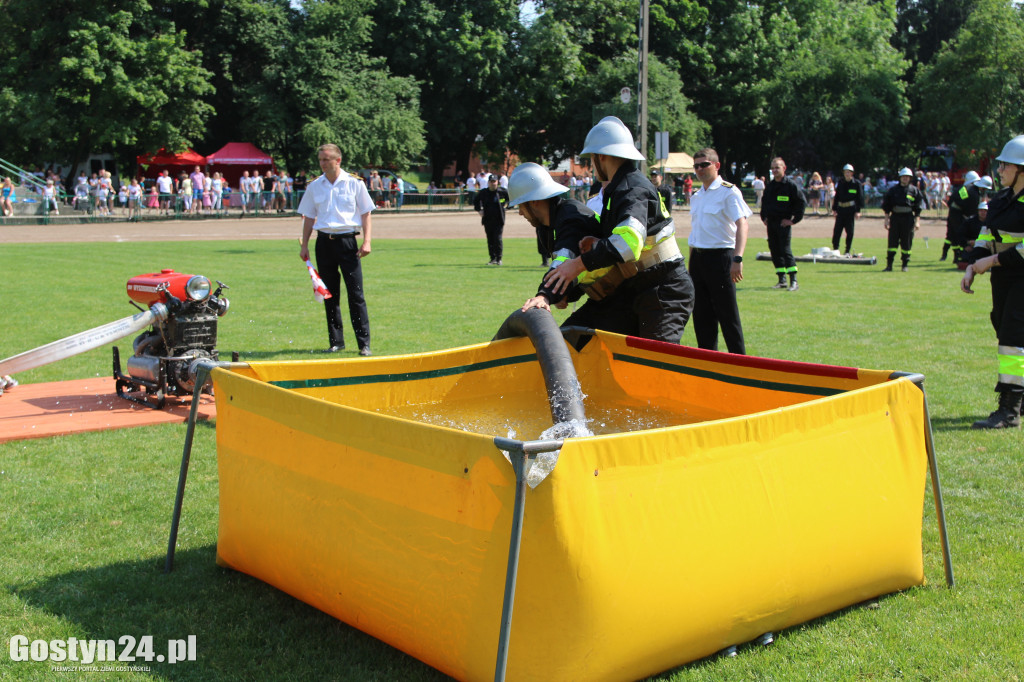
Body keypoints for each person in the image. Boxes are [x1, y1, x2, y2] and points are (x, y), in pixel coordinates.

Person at [541, 116, 694, 344]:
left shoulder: (632, 188)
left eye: (592, 159)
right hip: (637, 288)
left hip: (664, 290)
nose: (592, 166)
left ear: (601, 156)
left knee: (655, 370)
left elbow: (627, 245)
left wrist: (576, 266)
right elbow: (621, 243)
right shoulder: (619, 189)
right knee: (580, 344)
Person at [959, 135, 1024, 429]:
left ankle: (1009, 410)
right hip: (1003, 276)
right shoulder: (1000, 199)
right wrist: (975, 262)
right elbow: (988, 234)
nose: (999, 171)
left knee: (1012, 337)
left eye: (1005, 166)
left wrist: (992, 262)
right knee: (1004, 326)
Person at [298, 143, 374, 356]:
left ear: (337, 160)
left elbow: (366, 213)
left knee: (356, 294)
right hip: (324, 243)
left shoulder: (354, 183)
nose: (322, 163)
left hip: (348, 243)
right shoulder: (315, 186)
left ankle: (363, 344)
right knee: (329, 294)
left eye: (326, 159)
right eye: (321, 159)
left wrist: (367, 241)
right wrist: (304, 244)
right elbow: (309, 217)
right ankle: (336, 341)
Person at [688, 148, 750, 354]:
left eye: (704, 164)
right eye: (696, 166)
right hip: (698, 258)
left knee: (728, 316)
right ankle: (708, 363)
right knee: (702, 317)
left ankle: (740, 364)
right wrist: (691, 262)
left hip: (721, 257)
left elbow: (742, 224)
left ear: (716, 165)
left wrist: (737, 258)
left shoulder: (728, 191)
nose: (700, 169)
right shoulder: (696, 196)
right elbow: (696, 231)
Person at [760, 157, 805, 290]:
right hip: (771, 224)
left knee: (785, 251)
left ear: (784, 168)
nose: (774, 170)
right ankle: (781, 280)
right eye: (772, 168)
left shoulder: (790, 186)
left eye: (777, 167)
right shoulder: (771, 186)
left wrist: (793, 221)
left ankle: (794, 281)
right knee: (774, 251)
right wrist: (764, 217)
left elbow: (801, 203)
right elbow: (765, 203)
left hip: (783, 224)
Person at [881, 167, 924, 272]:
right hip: (895, 218)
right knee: (892, 242)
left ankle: (905, 265)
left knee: (907, 242)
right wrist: (886, 220)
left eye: (907, 177)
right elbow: (887, 207)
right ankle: (889, 265)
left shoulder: (914, 191)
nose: (905, 178)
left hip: (908, 218)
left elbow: (918, 209)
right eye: (903, 177)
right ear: (900, 178)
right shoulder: (893, 190)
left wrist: (917, 222)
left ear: (910, 178)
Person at [941, 170, 981, 262]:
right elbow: (967, 204)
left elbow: (952, 201)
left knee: (950, 235)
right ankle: (957, 256)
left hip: (953, 213)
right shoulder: (969, 190)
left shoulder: (962, 189)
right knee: (958, 234)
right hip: (957, 215)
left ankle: (945, 254)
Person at [474, 174, 510, 265]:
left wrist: (507, 207)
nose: (493, 183)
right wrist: (479, 210)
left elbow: (510, 199)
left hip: (499, 220)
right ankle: (492, 258)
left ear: (497, 182)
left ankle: (499, 259)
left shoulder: (502, 192)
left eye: (494, 181)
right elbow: (475, 201)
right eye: (491, 182)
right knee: (490, 239)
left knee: (498, 239)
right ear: (488, 182)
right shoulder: (484, 192)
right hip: (487, 220)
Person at [831, 163, 864, 255]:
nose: (847, 174)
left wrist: (858, 211)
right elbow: (837, 196)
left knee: (850, 231)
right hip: (841, 210)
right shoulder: (841, 183)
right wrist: (834, 209)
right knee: (837, 230)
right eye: (846, 172)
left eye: (849, 172)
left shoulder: (856, 184)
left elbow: (860, 198)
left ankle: (847, 250)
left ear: (852, 173)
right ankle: (835, 249)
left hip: (850, 210)